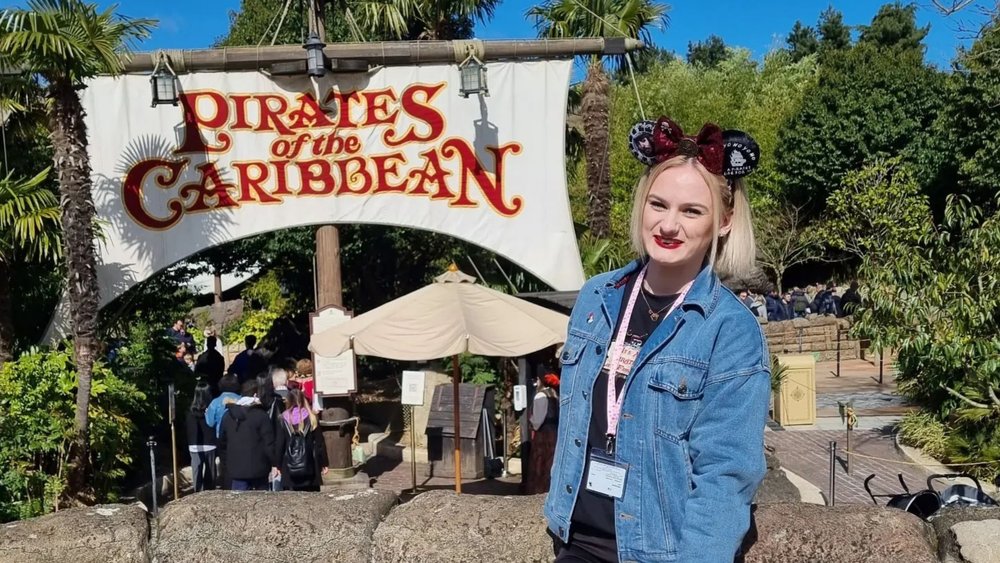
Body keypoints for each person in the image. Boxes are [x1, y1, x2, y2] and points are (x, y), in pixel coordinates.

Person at [544, 117, 771, 563]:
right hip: (574, 541)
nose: (668, 225)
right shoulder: (598, 297)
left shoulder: (730, 330)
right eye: (658, 205)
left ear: (723, 222)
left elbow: (726, 474)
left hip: (660, 553)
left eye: (691, 211)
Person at [218, 380, 280, 491]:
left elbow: (222, 443)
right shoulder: (261, 416)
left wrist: (226, 463)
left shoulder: (228, 416)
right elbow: (269, 444)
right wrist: (275, 463)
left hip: (236, 469)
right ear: (256, 395)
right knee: (261, 503)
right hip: (260, 468)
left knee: (239, 505)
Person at [275, 388, 329, 491]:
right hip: (309, 463)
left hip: (289, 465)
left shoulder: (282, 418)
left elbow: (279, 444)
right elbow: (319, 443)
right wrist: (324, 463)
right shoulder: (312, 417)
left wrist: (278, 464)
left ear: (289, 401)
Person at [527, 372, 560, 495]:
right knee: (551, 461)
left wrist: (530, 420)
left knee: (540, 460)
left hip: (544, 433)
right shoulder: (554, 394)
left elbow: (537, 420)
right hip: (554, 432)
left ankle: (539, 490)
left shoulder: (540, 396)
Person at [185, 382, 217, 492]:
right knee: (210, 473)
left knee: (196, 472)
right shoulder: (211, 410)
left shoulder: (190, 412)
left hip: (194, 445)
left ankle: (197, 492)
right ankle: (209, 494)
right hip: (210, 444)